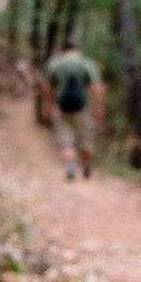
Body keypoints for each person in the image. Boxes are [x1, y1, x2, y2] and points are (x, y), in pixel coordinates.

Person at [43, 38, 104, 180]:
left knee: (66, 141)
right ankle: (86, 162)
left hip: (61, 108)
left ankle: (70, 165)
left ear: (62, 49)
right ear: (76, 48)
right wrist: (98, 108)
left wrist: (47, 107)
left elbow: (47, 88)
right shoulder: (86, 63)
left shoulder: (54, 64)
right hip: (82, 109)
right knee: (85, 140)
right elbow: (96, 88)